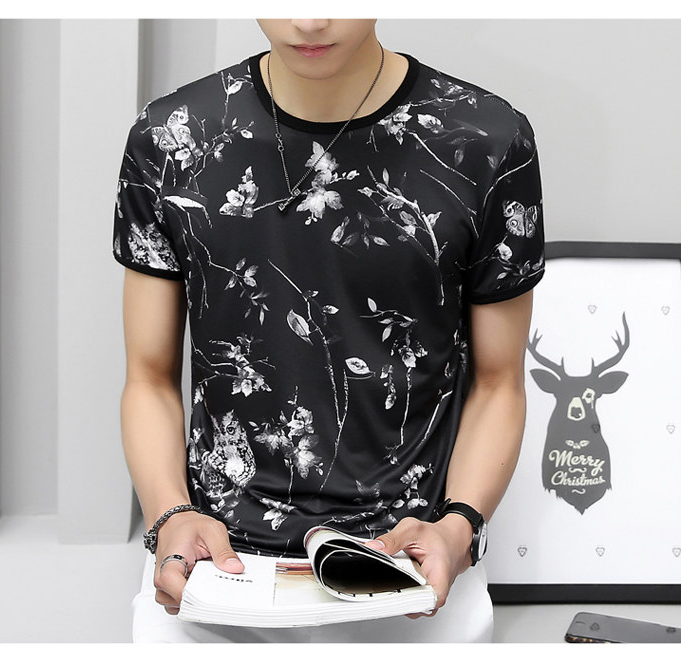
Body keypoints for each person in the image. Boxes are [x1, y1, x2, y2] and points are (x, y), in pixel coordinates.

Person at [113, 18, 544, 642]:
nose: (310, 19)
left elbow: (500, 382)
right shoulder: (170, 138)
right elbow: (148, 378)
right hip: (213, 568)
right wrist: (169, 515)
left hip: (412, 567)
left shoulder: (487, 141)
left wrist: (458, 527)